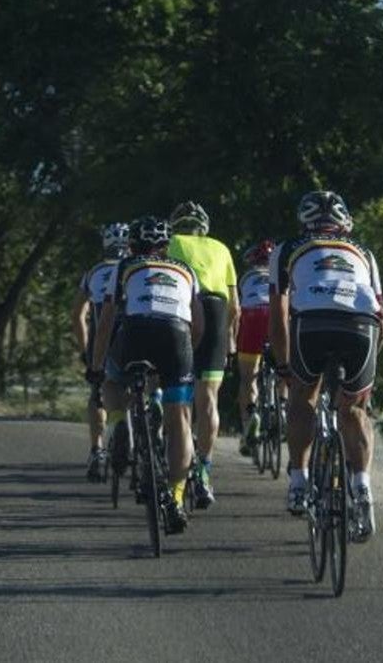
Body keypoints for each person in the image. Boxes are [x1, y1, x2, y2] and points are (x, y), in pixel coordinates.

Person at [270, 190, 383, 541]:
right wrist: (364, 384)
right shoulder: (364, 252)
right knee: (354, 410)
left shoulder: (287, 249)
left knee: (303, 396)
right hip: (362, 326)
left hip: (312, 323)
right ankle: (362, 487)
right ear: (344, 222)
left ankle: (299, 481)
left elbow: (278, 313)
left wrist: (283, 364)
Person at [89, 217, 203, 533]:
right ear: (166, 246)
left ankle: (115, 420)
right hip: (177, 337)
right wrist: (185, 358)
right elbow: (200, 322)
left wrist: (96, 367)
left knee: (113, 379)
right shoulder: (186, 270)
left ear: (133, 245)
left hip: (135, 333)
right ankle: (177, 497)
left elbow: (107, 319)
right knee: (179, 419)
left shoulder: (124, 267)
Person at [167, 201, 238, 509]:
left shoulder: (170, 243)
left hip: (182, 308)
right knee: (207, 397)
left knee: (177, 396)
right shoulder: (221, 248)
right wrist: (231, 339)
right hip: (216, 309)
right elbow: (236, 305)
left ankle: (175, 471)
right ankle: (205, 469)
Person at [73, 222, 130, 482]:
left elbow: (78, 315)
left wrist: (86, 349)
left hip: (102, 337)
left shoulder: (93, 272)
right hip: (134, 335)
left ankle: (97, 450)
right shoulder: (136, 269)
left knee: (98, 393)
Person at [235, 239, 276, 455]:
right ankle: (284, 404)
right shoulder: (281, 274)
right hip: (276, 316)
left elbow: (236, 308)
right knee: (286, 367)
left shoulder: (246, 278)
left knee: (248, 377)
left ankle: (250, 417)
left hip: (252, 317)